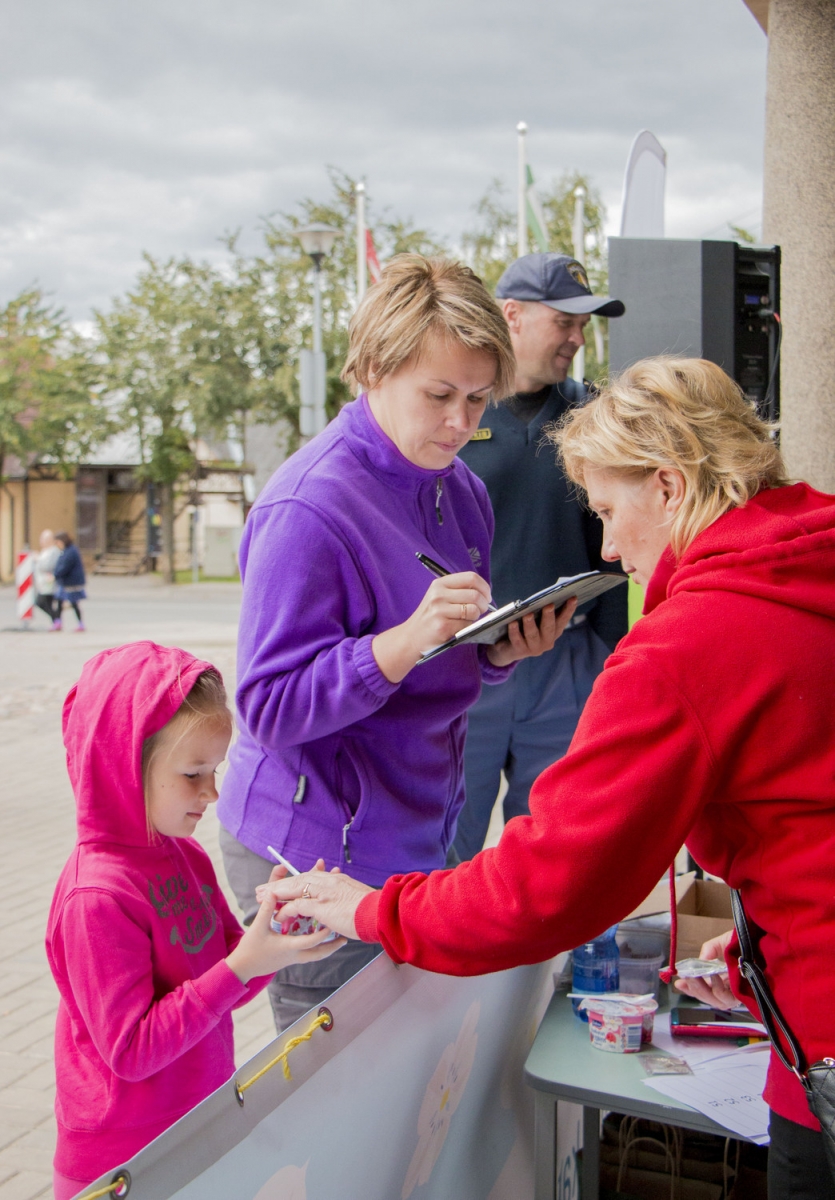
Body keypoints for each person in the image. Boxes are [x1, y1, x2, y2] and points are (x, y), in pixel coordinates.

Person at [267, 358, 835, 1200]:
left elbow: (550, 881)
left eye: (608, 512)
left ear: (671, 489)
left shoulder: (690, 643)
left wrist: (370, 909)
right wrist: (768, 940)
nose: (606, 549)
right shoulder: (808, 562)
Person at [217, 255, 575, 1031]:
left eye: (478, 399)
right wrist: (405, 639)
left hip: (412, 826)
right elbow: (269, 707)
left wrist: (495, 652)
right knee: (343, 1083)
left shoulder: (461, 488)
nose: (461, 423)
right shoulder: (307, 508)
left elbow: (436, 666)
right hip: (314, 844)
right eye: (439, 396)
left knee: (407, 1062)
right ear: (373, 369)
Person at [46, 642, 342, 1200]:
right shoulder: (97, 897)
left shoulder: (185, 856)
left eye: (216, 769)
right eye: (192, 774)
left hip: (197, 1121)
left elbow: (228, 979)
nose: (212, 792)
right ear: (123, 765)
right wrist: (244, 962)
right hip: (122, 1163)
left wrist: (278, 938)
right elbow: (132, 1050)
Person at [453, 252, 628, 860]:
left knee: (551, 847)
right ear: (513, 316)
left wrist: (607, 653)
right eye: (565, 323)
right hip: (468, 665)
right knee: (452, 844)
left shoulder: (593, 414)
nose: (578, 339)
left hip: (565, 662)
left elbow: (615, 544)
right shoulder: (454, 412)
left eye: (584, 326)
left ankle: (547, 963)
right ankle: (442, 959)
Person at [53, 531, 86, 631]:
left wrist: (55, 575)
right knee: (59, 601)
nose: (57, 545)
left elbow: (65, 567)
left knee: (73, 602)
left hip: (71, 583)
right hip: (66, 582)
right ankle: (58, 622)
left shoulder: (70, 552)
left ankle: (80, 623)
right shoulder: (67, 550)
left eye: (57, 542)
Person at [33, 529, 60, 626]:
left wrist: (37, 560)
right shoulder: (45, 551)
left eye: (43, 539)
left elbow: (48, 566)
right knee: (48, 604)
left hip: (49, 583)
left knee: (41, 602)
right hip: (44, 583)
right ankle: (56, 622)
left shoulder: (54, 551)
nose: (41, 541)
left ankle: (56, 619)